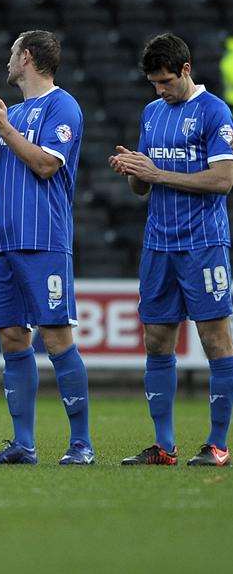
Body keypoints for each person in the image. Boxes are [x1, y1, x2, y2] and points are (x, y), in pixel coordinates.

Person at [0, 29, 94, 465]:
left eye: (11, 54)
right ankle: (23, 443)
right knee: (11, 337)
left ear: (26, 58)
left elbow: (44, 165)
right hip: (3, 241)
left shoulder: (63, 106)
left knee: (57, 337)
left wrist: (5, 126)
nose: (7, 61)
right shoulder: (15, 112)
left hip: (44, 240)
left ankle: (81, 443)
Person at [110, 33, 233, 466]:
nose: (159, 90)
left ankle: (217, 444)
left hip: (203, 243)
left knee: (215, 339)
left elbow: (223, 180)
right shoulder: (151, 113)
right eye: (153, 84)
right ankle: (164, 446)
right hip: (158, 243)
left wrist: (157, 173)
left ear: (186, 69)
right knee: (157, 339)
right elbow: (142, 187)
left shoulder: (215, 112)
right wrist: (134, 169)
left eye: (165, 81)